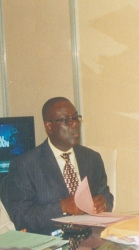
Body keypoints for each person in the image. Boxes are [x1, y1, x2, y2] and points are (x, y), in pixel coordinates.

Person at [6, 97, 113, 235]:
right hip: (53, 241)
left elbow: (106, 195)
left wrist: (104, 203)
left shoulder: (92, 158)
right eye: (65, 120)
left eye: (75, 118)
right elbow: (20, 216)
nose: (74, 124)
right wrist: (62, 207)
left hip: (91, 238)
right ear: (49, 126)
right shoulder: (25, 165)